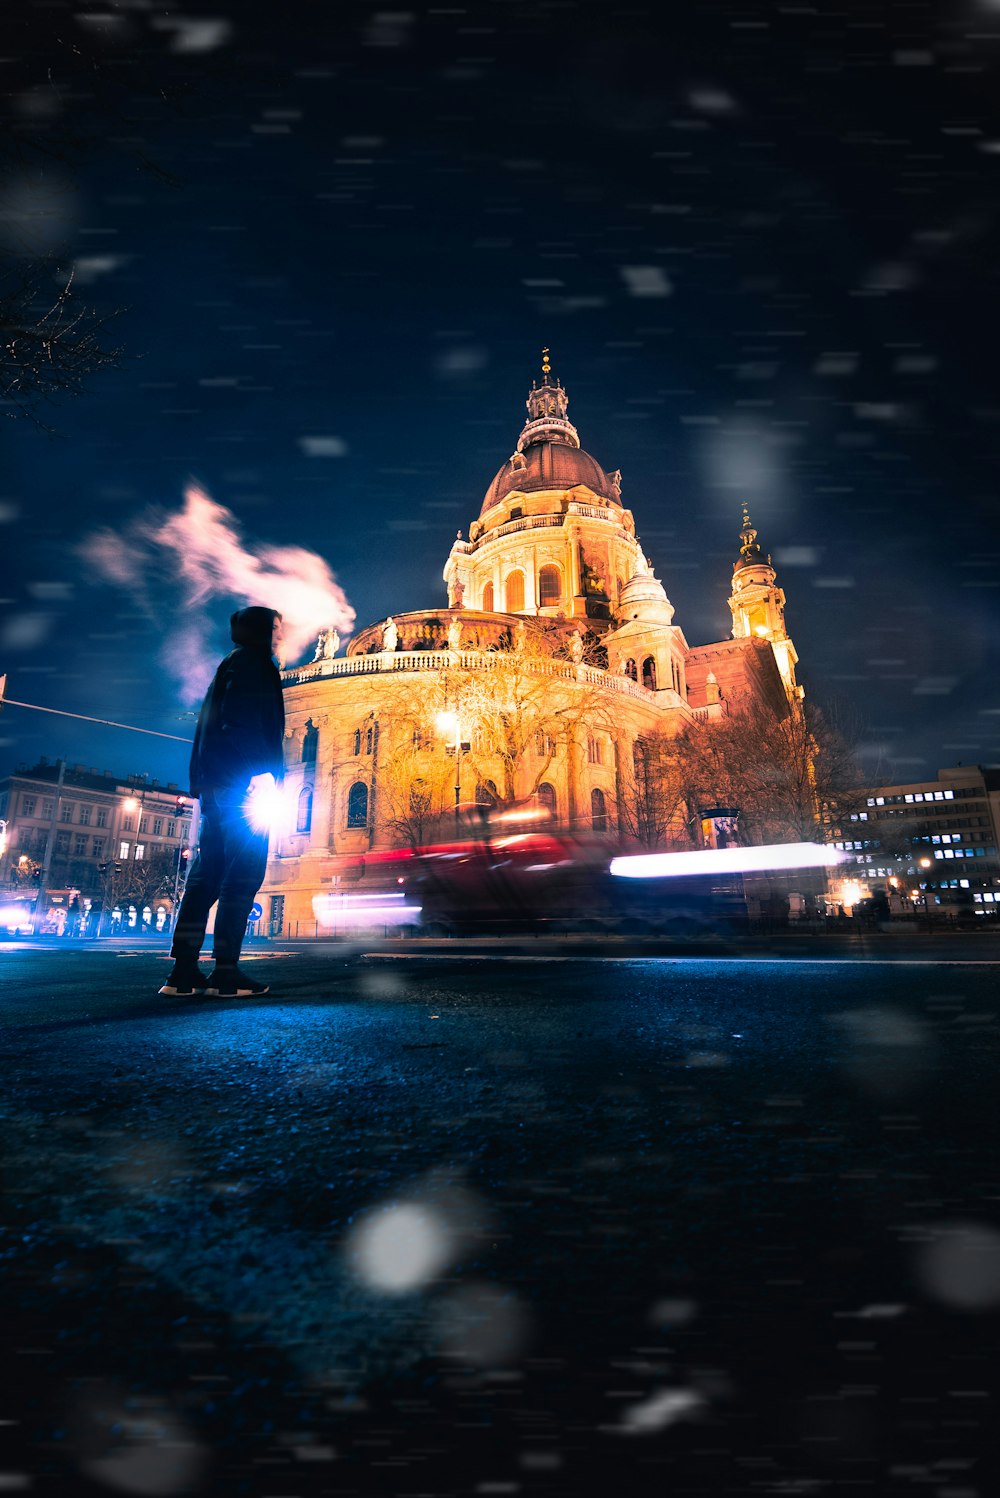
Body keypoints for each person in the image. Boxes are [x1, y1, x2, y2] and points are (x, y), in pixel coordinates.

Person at [159, 606, 285, 999]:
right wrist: (260, 772)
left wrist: (202, 784)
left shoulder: (229, 664)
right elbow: (238, 721)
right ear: (264, 631)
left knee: (206, 877)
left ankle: (182, 971)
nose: (281, 635)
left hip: (218, 784)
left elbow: (216, 725)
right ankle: (226, 971)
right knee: (242, 873)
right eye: (276, 628)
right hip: (242, 785)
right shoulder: (253, 663)